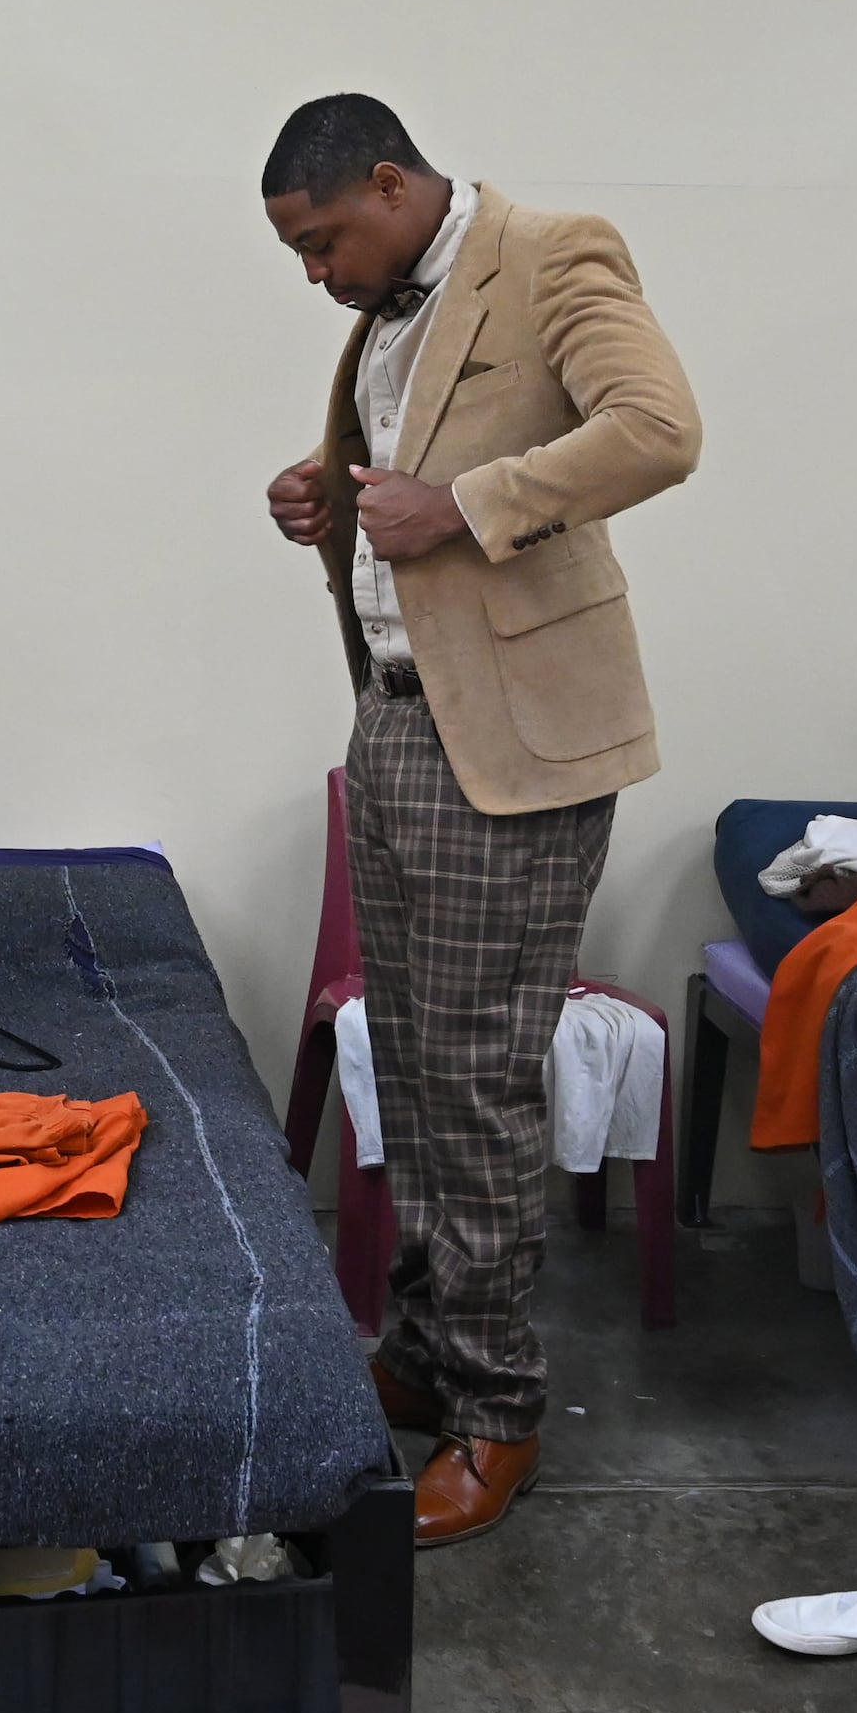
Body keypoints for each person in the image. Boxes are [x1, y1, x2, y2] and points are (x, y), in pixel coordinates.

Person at [260, 92, 701, 1547]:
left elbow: (656, 430)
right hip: (393, 719)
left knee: (479, 1076)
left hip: (506, 749)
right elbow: (421, 454)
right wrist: (341, 492)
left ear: (389, 183)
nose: (316, 276)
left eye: (324, 241)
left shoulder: (556, 253)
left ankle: (498, 1417)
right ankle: (429, 1349)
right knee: (419, 1059)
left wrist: (462, 506)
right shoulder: (394, 300)